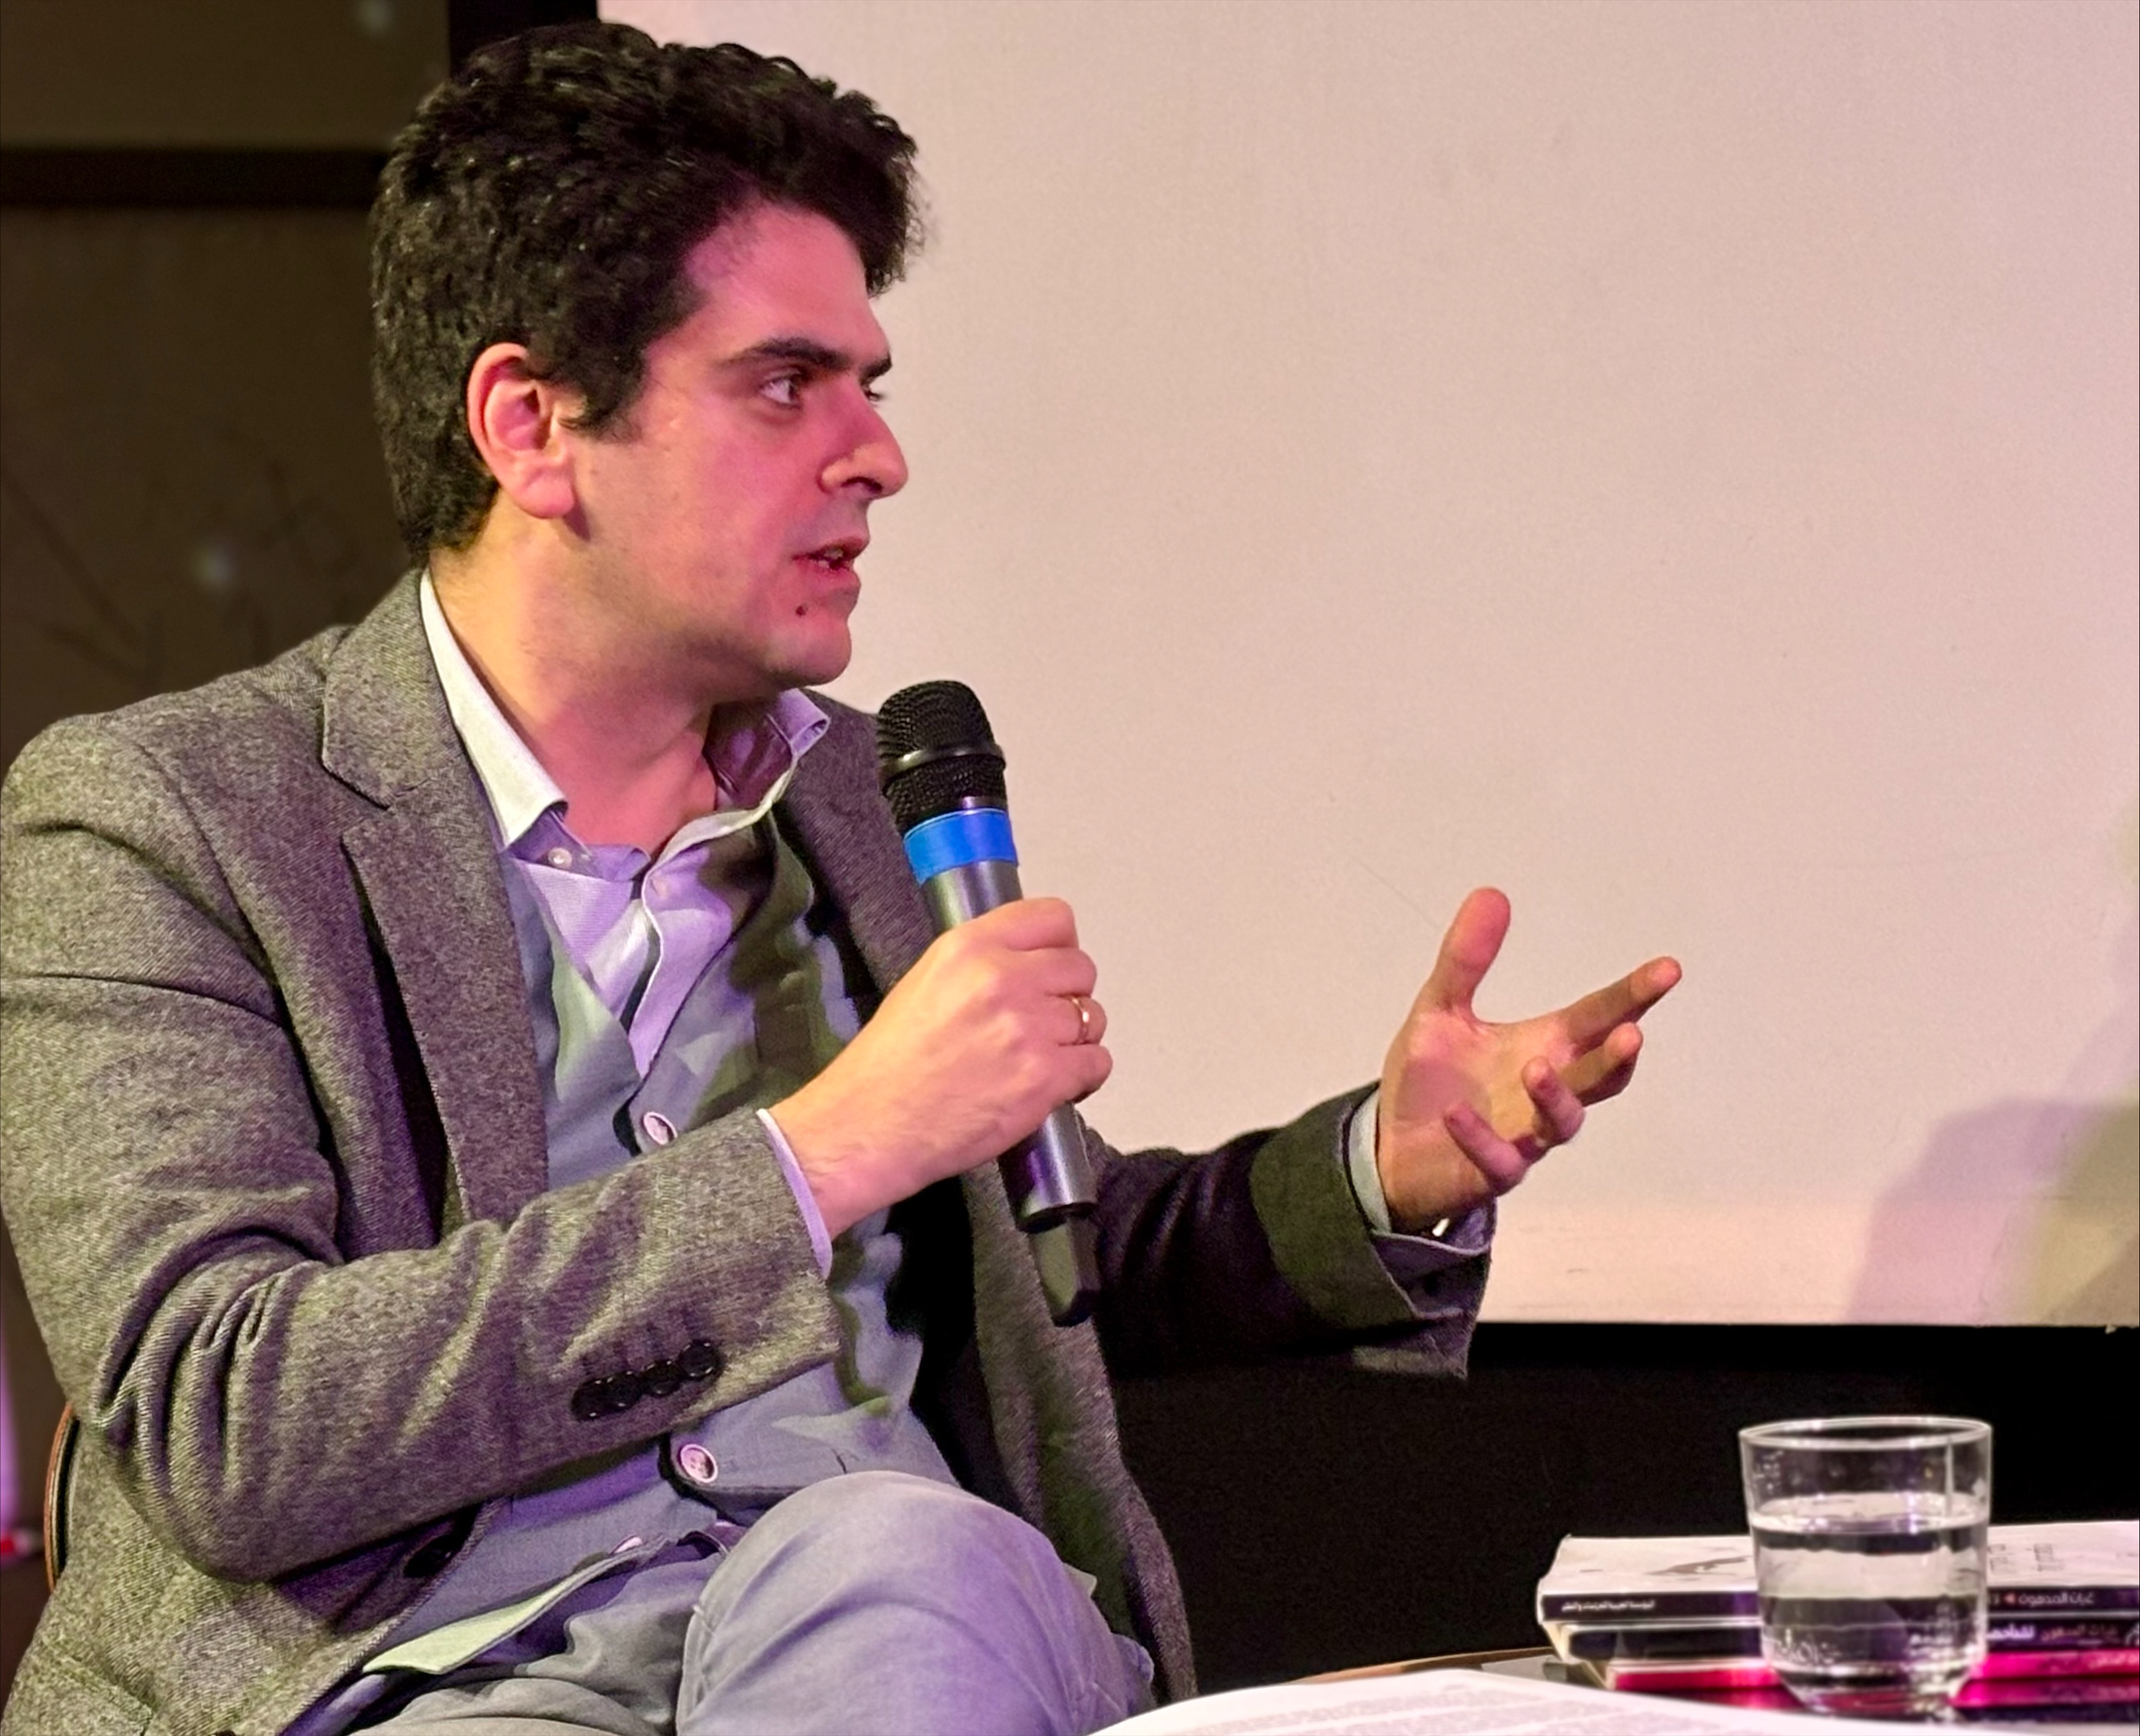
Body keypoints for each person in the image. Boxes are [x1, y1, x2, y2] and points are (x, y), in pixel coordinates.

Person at [0, 22, 1679, 1736]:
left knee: (890, 1553)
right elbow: (227, 1423)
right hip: (424, 1684)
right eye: (786, 383)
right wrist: (827, 1148)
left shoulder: (859, 798)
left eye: (871, 388)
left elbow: (1057, 1261)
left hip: (893, 1639)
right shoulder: (171, 823)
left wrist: (1377, 1169)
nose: (875, 456)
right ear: (530, 426)